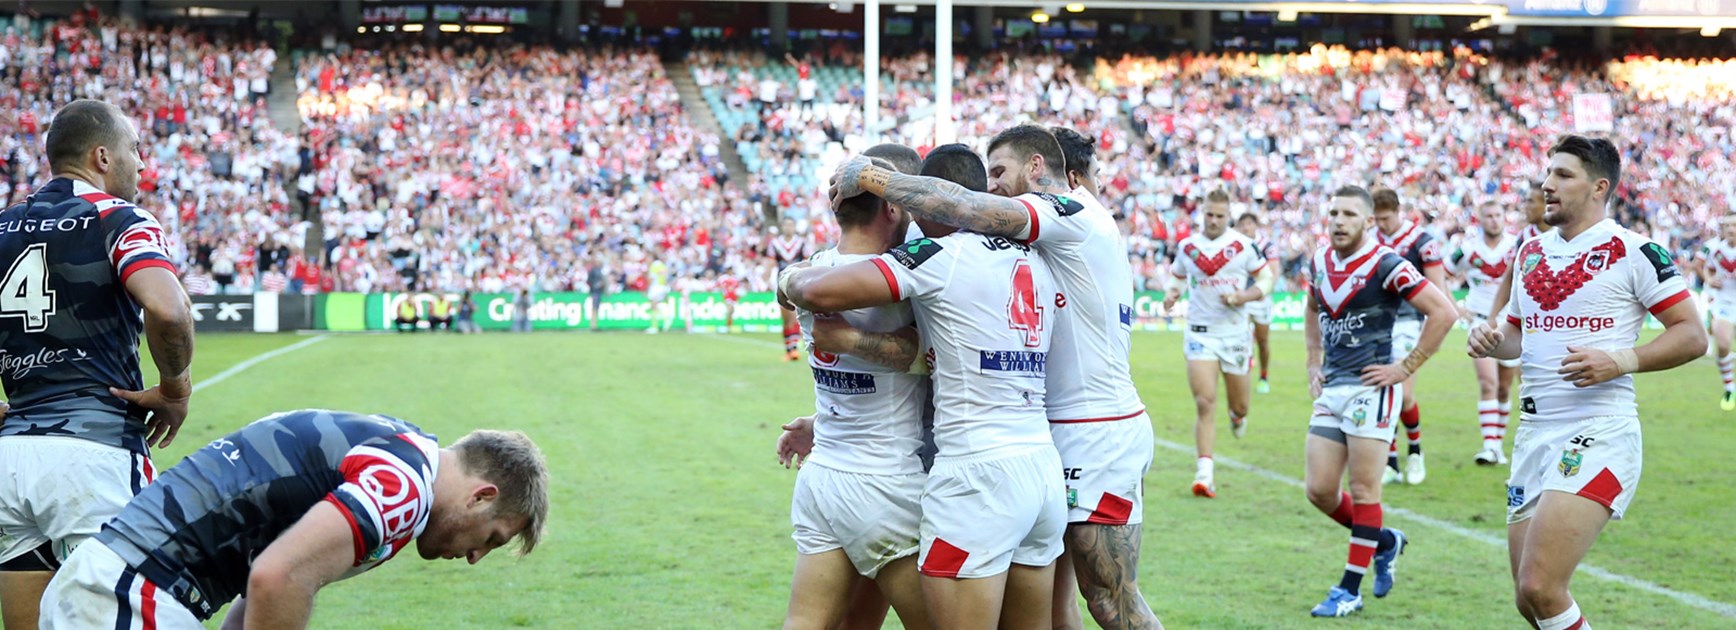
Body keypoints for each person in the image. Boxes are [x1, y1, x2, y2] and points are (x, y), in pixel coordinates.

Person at [828, 125, 1162, 630]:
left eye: (1000, 171)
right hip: (1047, 439)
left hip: (1094, 433)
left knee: (1112, 603)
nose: (993, 185)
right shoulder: (1031, 242)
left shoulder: (1068, 211)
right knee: (1059, 611)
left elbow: (965, 206)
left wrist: (872, 178)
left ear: (1036, 166)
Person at [791, 144, 1066, 630]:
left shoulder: (920, 260)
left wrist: (787, 281)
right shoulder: (1039, 255)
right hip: (1036, 464)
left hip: (941, 472)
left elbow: (813, 291)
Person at [1468, 135, 1705, 630]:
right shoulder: (1531, 252)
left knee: (1541, 586)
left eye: (1562, 175)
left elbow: (1692, 335)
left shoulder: (1635, 251)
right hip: (1534, 435)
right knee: (1528, 601)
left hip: (1599, 430)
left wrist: (1621, 360)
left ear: (1599, 188)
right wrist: (1492, 340)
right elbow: (1516, 337)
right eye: (1547, 173)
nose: (1546, 184)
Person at [40, 409, 549, 629]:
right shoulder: (404, 490)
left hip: (116, 586)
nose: (476, 557)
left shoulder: (401, 450)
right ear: (481, 497)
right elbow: (277, 578)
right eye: (493, 538)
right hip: (132, 595)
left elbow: (261, 594)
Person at [0, 99, 195, 630]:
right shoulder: (120, 218)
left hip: (11, 458)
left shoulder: (3, 226)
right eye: (135, 149)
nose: (143, 163)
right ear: (103, 157)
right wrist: (175, 389)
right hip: (95, 454)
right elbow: (169, 309)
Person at [774, 150, 932, 630]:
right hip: (884, 480)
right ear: (892, 208)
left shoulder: (812, 271)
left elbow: (787, 286)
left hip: (824, 477)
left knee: (808, 622)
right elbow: (926, 356)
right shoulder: (899, 275)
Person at [1303, 185, 1455, 617]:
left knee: (1364, 489)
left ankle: (1349, 589)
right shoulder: (1319, 261)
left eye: (1350, 214)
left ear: (1369, 222)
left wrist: (1406, 368)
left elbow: (1444, 312)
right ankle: (1386, 541)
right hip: (1332, 388)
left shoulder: (1387, 264)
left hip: (1372, 389)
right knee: (1319, 490)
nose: (1339, 221)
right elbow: (1311, 308)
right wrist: (1312, 360)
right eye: (1334, 212)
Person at [1164, 190, 1274, 498]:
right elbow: (1177, 277)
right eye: (1209, 214)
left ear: (1228, 217)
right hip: (1200, 333)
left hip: (1235, 334)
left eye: (1219, 216)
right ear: (1202, 213)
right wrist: (1171, 294)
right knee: (1204, 402)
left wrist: (1242, 296)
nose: (1213, 220)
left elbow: (1266, 280)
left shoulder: (1243, 246)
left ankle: (1238, 417)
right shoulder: (1188, 247)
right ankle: (1204, 474)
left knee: (1239, 406)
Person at [1372, 187, 1446, 485]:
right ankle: (1390, 462)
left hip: (1408, 321)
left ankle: (1415, 452)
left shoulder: (1421, 241)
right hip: (1377, 323)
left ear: (1398, 212)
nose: (1381, 225)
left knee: (1402, 393)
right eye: (1376, 219)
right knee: (1382, 391)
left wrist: (1436, 328)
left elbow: (1436, 286)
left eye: (1386, 219)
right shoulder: (1370, 240)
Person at [1448, 201, 1521, 464]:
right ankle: (1489, 446)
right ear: (1479, 219)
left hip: (1512, 324)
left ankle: (1497, 447)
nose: (1493, 220)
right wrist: (1456, 307)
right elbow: (1439, 274)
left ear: (1504, 217)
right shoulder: (1467, 249)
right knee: (1488, 383)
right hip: (1480, 322)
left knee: (1504, 388)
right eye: (1488, 215)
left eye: (1498, 215)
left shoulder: (1517, 245)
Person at [1236, 213, 1280, 394]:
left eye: (1249, 223)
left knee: (1262, 341)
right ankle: (1242, 376)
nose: (1246, 227)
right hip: (1242, 299)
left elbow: (1274, 272)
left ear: (1255, 225)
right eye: (1243, 224)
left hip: (1261, 299)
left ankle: (1263, 376)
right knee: (1240, 338)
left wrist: (1264, 290)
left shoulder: (1267, 246)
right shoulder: (1236, 246)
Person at [1698, 216, 1736, 410]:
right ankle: (1729, 388)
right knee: (1722, 344)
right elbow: (1709, 269)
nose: (1730, 229)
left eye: (1734, 225)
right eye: (1727, 225)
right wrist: (1709, 279)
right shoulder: (1717, 250)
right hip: (1725, 303)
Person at [771, 219, 814, 360]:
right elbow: (771, 262)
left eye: (791, 225)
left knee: (795, 314)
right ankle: (789, 349)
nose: (788, 228)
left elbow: (808, 261)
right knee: (786, 317)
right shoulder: (775, 243)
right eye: (786, 225)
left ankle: (793, 348)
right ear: (782, 227)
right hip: (781, 282)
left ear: (794, 227)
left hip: (798, 282)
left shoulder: (801, 243)